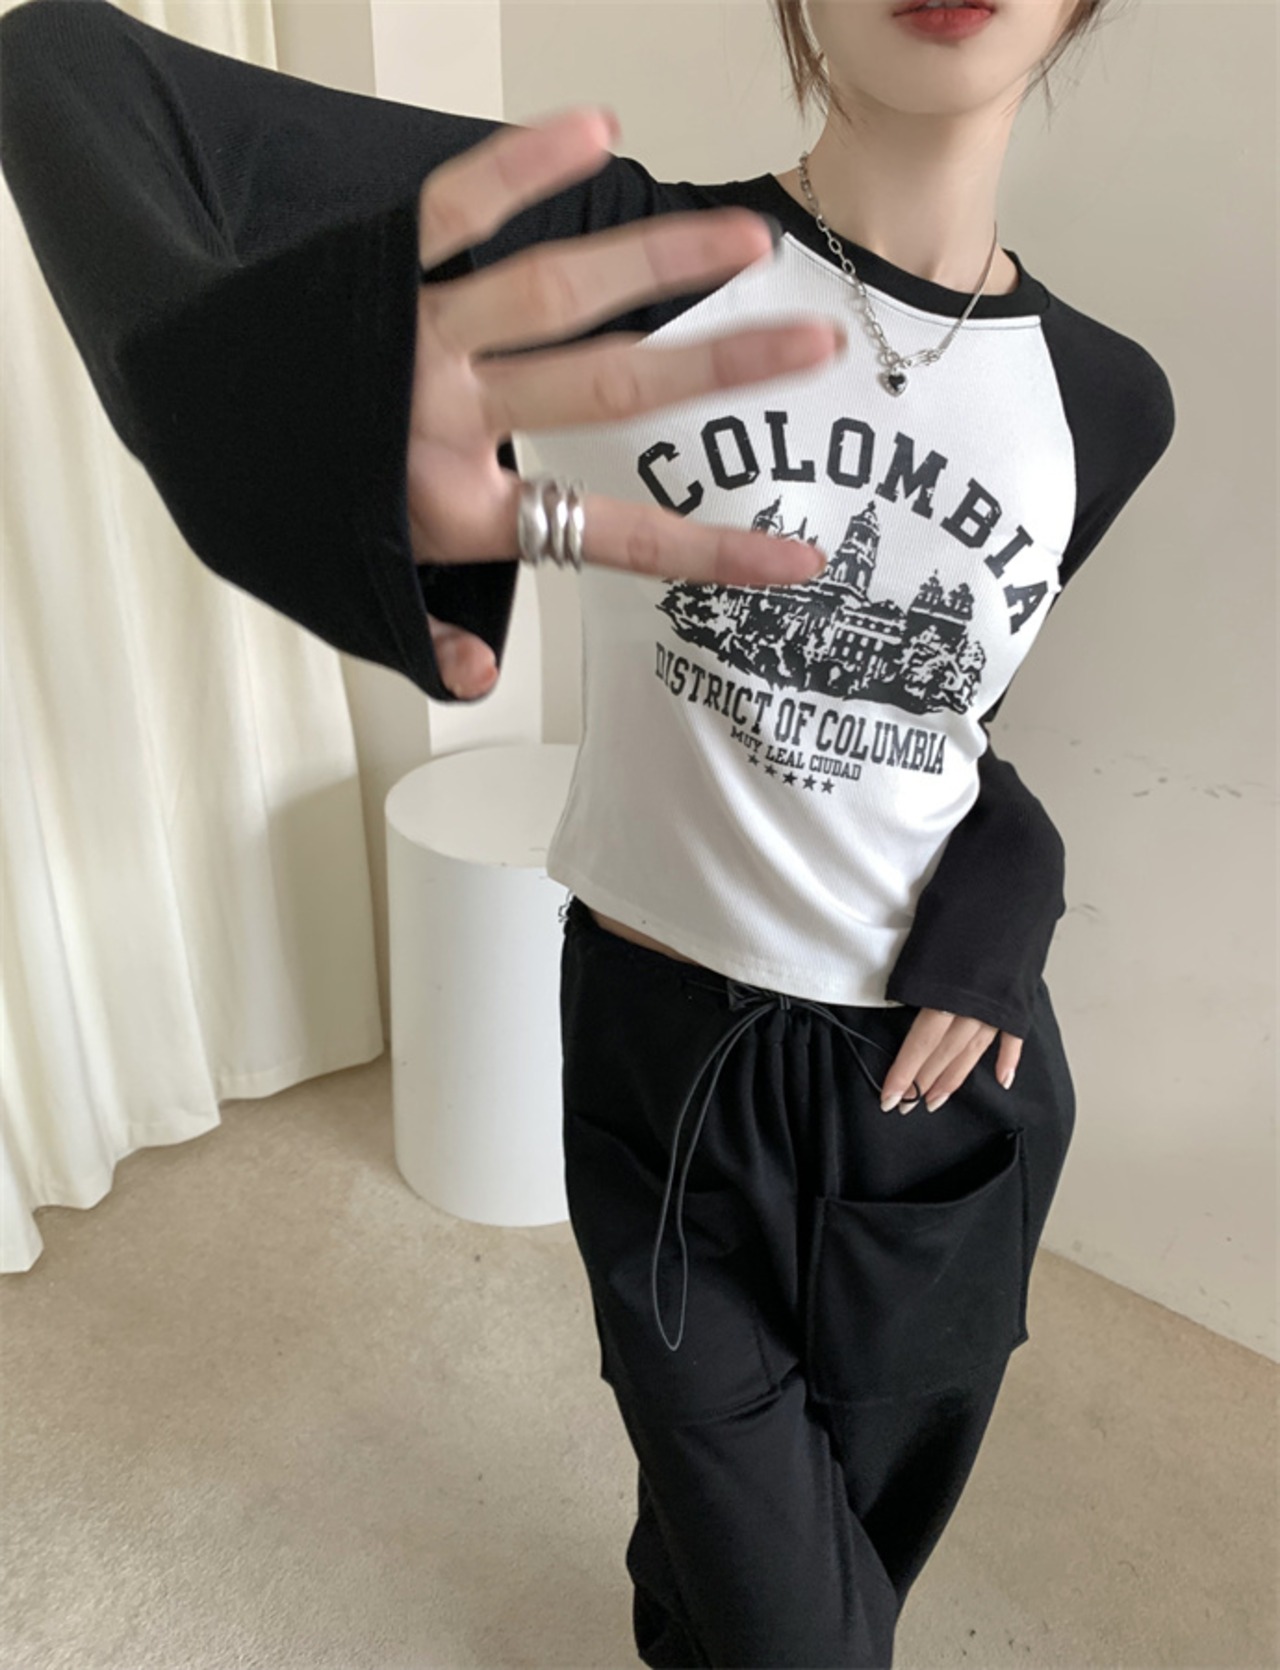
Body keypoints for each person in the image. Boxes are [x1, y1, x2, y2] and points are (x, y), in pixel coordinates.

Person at [0, 1, 1175, 1665]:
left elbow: (946, 737)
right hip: (667, 1069)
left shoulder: (1111, 402)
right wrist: (327, 427)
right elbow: (64, 69)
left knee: (821, 1543)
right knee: (804, 1630)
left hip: (945, 1086)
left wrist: (1012, 901)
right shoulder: (626, 252)